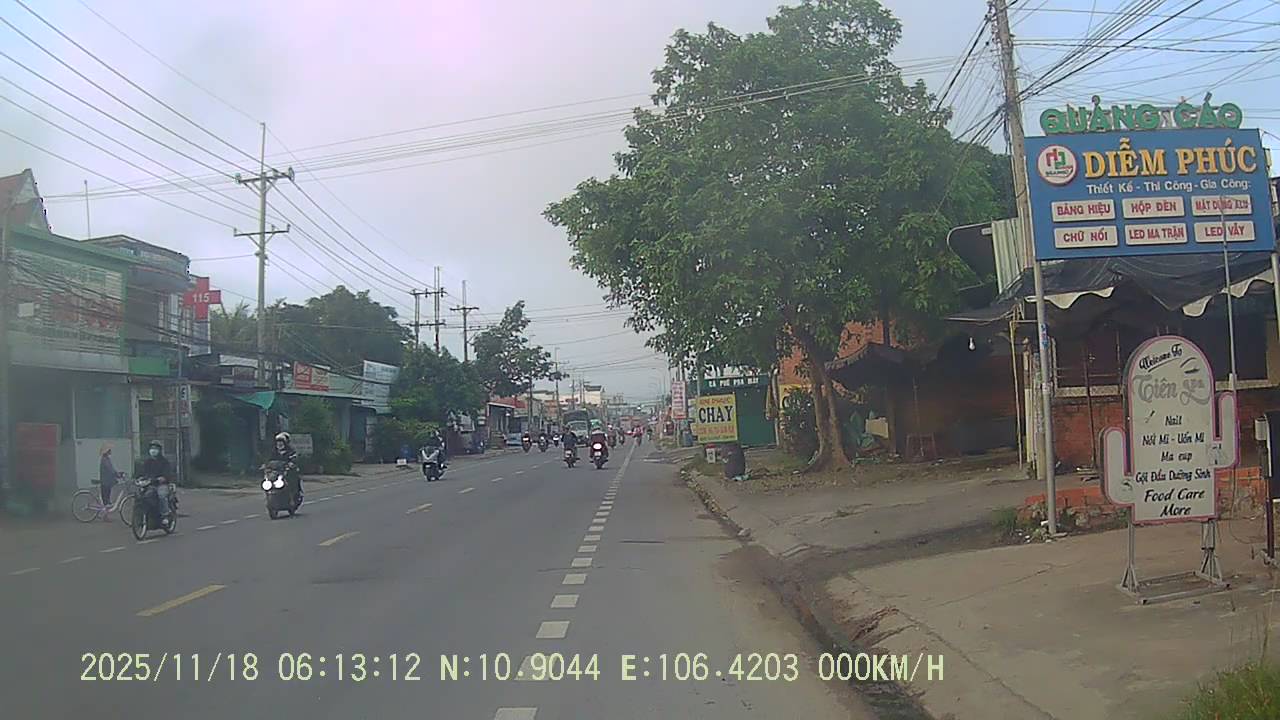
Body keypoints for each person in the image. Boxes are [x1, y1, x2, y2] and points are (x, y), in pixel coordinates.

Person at [139, 440, 174, 526]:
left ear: (159, 450)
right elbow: (142, 473)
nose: (153, 450)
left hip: (162, 485)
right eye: (152, 448)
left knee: (161, 496)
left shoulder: (164, 462)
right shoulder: (147, 462)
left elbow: (167, 475)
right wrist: (140, 478)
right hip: (150, 485)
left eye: (155, 448)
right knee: (144, 496)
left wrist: (162, 478)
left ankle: (165, 515)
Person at [273, 432, 302, 498]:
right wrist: (265, 464)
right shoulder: (274, 451)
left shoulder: (291, 450)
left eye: (281, 442)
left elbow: (295, 458)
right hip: (277, 471)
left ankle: (296, 493)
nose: (279, 444)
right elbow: (269, 459)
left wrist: (292, 463)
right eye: (278, 442)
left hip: (287, 471)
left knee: (294, 477)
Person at [98, 444, 119, 520]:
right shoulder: (105, 460)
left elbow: (111, 469)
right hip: (105, 482)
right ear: (106, 452)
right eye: (109, 450)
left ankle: (105, 515)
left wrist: (116, 473)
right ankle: (105, 516)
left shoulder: (107, 459)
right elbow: (110, 469)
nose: (111, 451)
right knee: (106, 501)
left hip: (107, 482)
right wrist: (117, 474)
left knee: (107, 500)